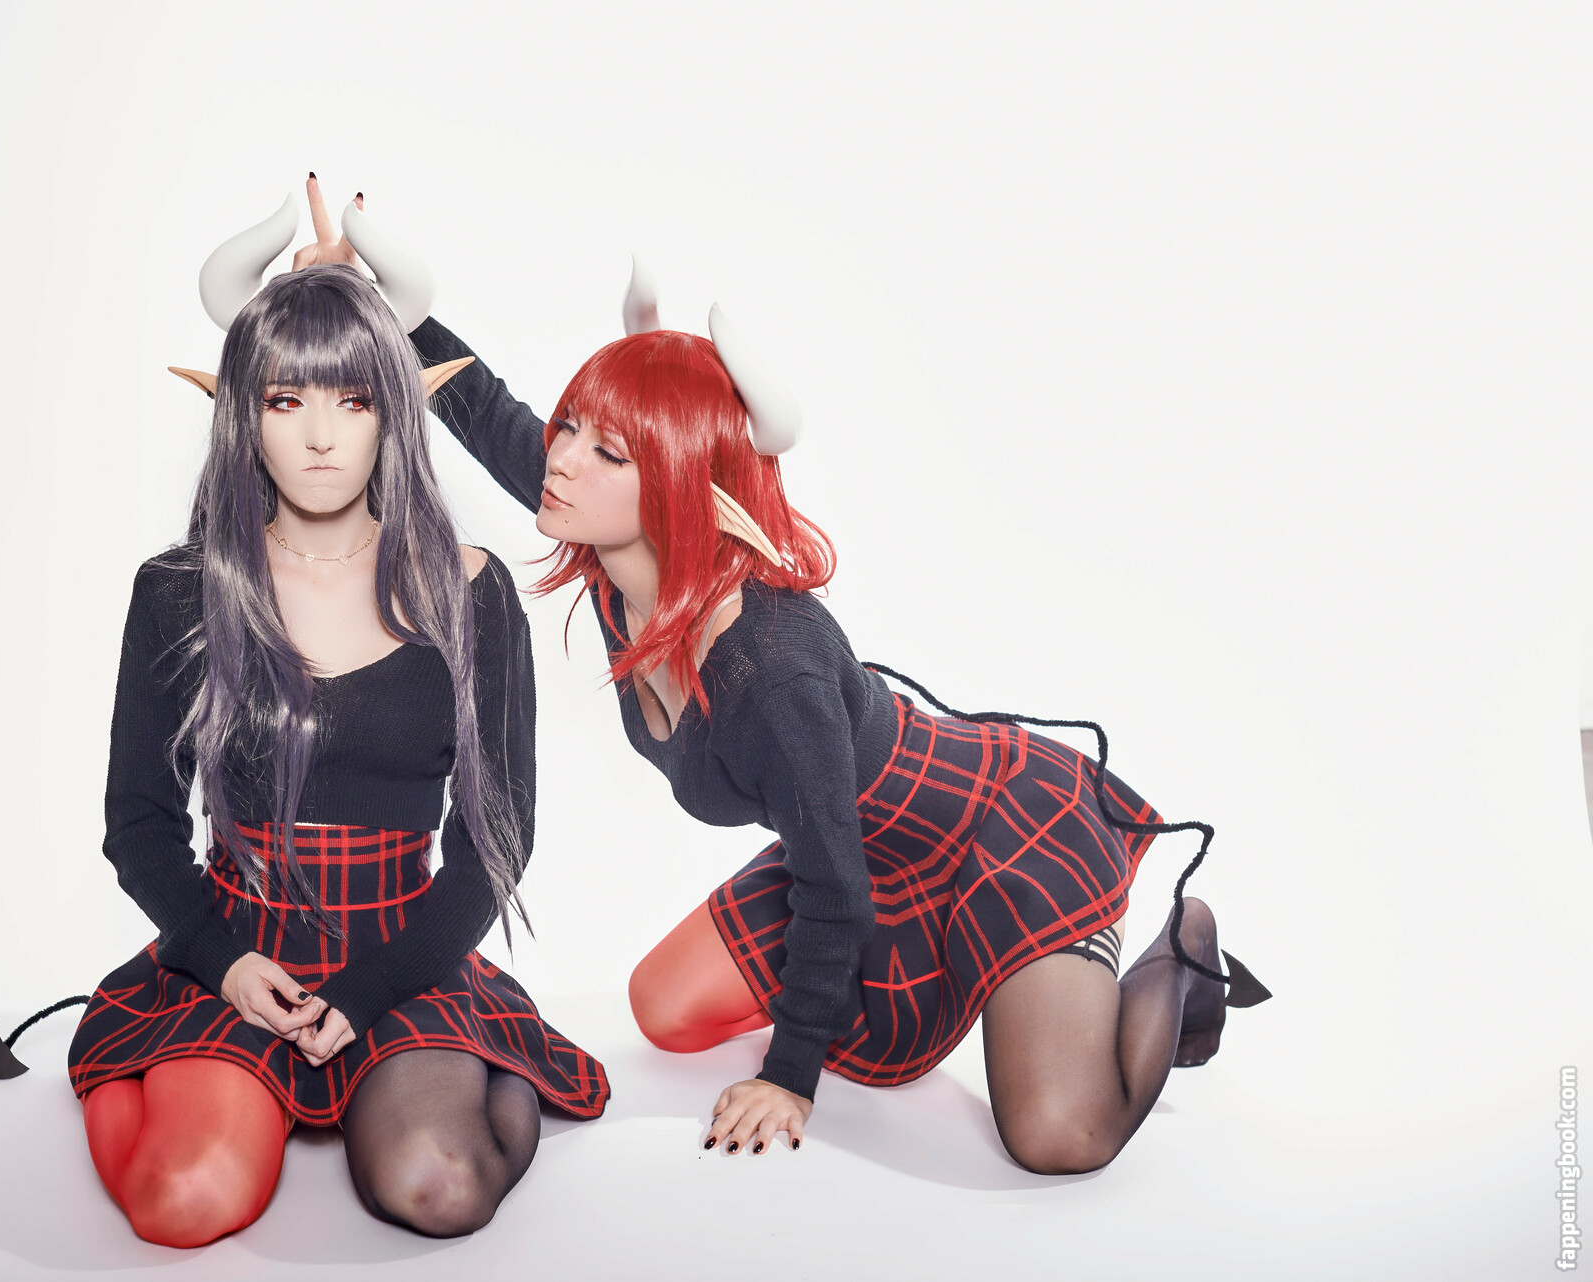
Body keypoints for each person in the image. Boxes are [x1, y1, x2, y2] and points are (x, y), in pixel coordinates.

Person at [401, 263, 1269, 1176]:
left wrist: (790, 1078)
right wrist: (394, 317)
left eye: (609, 452)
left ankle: (1181, 948)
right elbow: (491, 419)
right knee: (664, 1008)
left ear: (682, 485)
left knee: (1061, 1137)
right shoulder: (620, 563)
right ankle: (947, 982)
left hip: (1004, 823)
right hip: (863, 847)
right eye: (570, 428)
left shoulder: (775, 674)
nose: (562, 459)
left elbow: (834, 889)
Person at [64, 198, 607, 1247]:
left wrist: (371, 989)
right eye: (285, 399)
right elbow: (138, 823)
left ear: (393, 412)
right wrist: (223, 961)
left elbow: (496, 843)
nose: (319, 436)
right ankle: (132, 1071)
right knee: (183, 1205)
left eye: (353, 399)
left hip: (406, 948)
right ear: (245, 414)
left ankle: (493, 1063)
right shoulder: (179, 590)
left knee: (439, 1189)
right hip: (234, 946)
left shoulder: (471, 592)